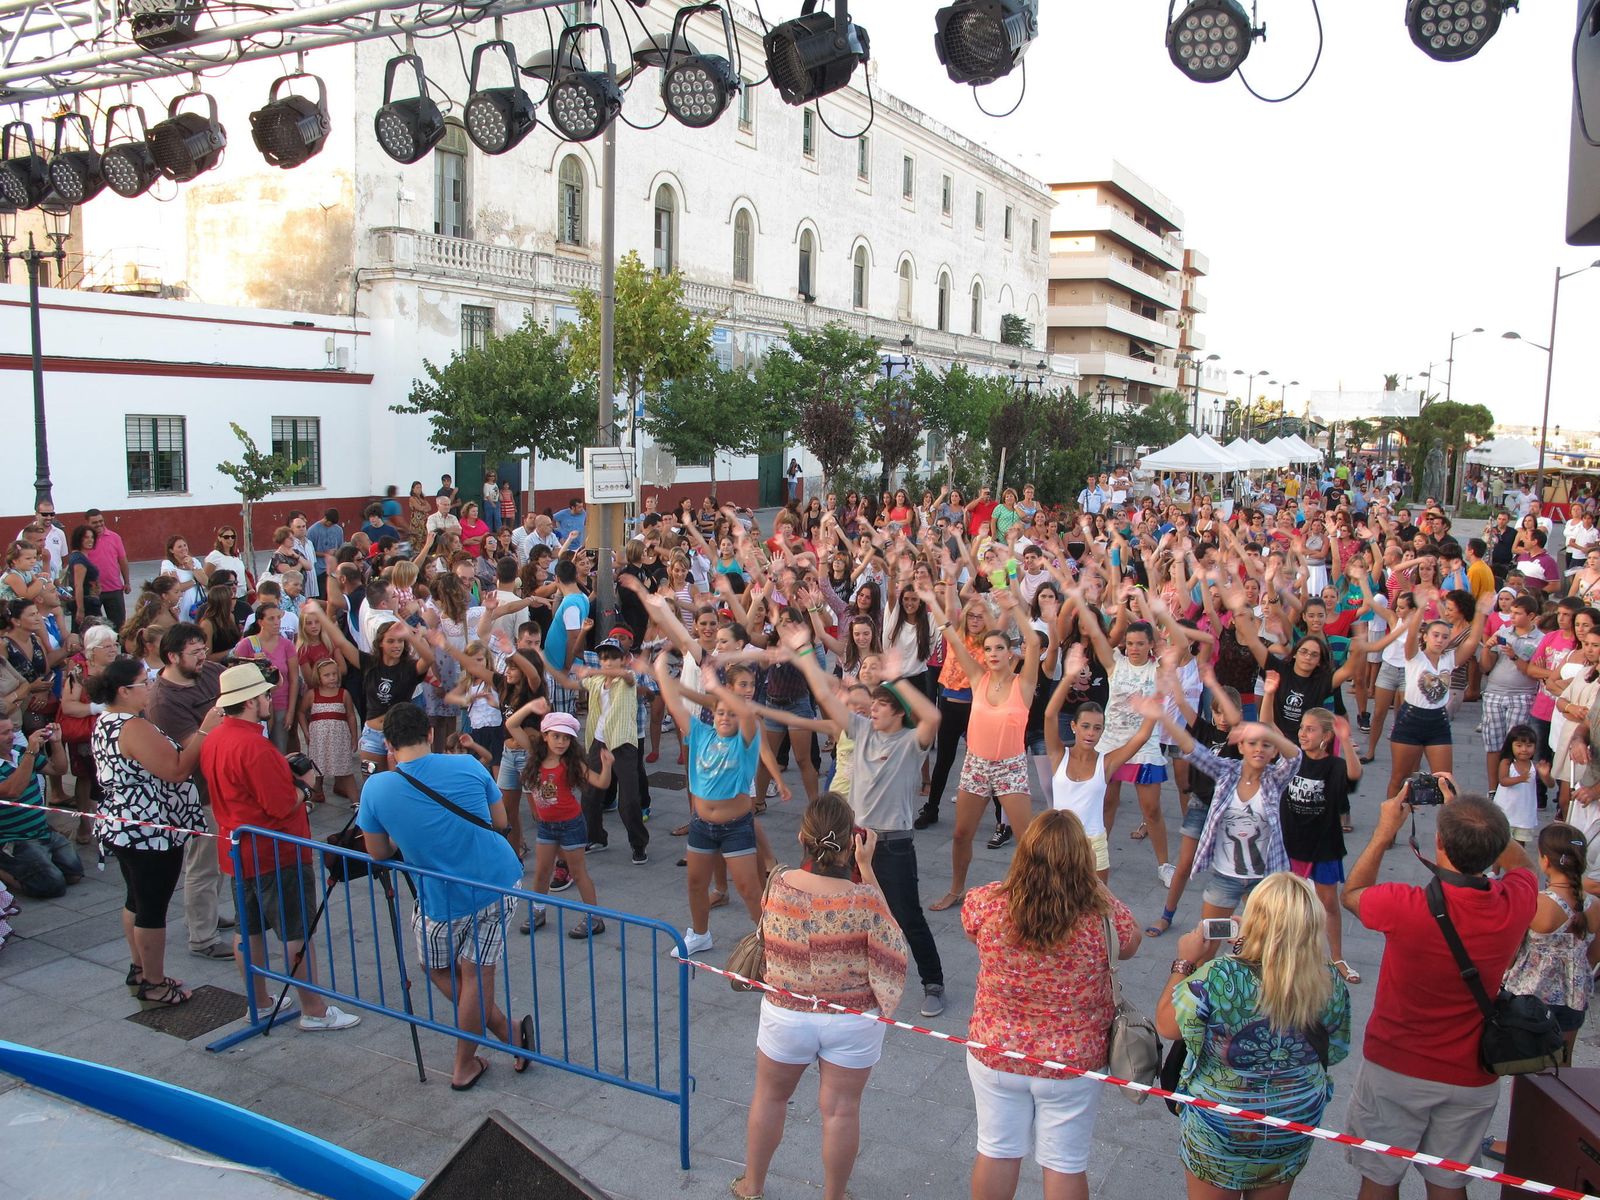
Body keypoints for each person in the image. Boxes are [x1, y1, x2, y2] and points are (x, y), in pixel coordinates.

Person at [1341, 787, 1538, 1200]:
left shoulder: (1403, 904)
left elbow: (1352, 896)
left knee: (1379, 1178)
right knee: (1448, 1183)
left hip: (1396, 1066)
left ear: (1438, 843)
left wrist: (1382, 833)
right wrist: (1473, 816)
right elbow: (1525, 868)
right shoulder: (1516, 901)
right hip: (1471, 1074)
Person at [730, 794, 908, 1200]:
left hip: (786, 1013)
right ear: (852, 842)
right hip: (852, 1018)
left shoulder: (777, 882)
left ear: (801, 837)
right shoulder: (863, 898)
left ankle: (752, 1186)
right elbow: (893, 942)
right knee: (842, 1111)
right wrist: (865, 867)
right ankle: (834, 1196)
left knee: (770, 1098)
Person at [962, 810, 1141, 1200]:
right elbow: (1131, 943)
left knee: (996, 1150)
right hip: (1072, 1062)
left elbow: (970, 928)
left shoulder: (987, 904)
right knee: (1065, 1163)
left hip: (996, 1052)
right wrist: (1095, 884)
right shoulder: (1103, 920)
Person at [356, 701, 528, 1090]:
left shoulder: (376, 787)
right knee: (476, 975)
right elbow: (501, 822)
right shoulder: (468, 765)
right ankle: (503, 1031)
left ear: (387, 743)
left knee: (442, 970)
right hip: (496, 881)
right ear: (430, 732)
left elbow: (378, 853)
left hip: (440, 897)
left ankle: (467, 1061)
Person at [1155, 872, 1350, 1199]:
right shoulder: (1329, 977)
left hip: (1220, 1127)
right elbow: (1337, 1049)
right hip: (1293, 1121)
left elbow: (1166, 1025)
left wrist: (1184, 963)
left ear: (1256, 921)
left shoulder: (1218, 976)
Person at [199, 662, 360, 1032]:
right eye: (265, 694)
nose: (271, 698)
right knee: (295, 934)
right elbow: (280, 804)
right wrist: (303, 784)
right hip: (276, 853)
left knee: (247, 930)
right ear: (251, 701)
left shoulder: (216, 739)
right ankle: (314, 1010)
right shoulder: (254, 746)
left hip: (239, 851)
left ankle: (259, 1001)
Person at [801, 640, 948, 1018]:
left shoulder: (910, 742)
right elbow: (824, 694)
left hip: (894, 843)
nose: (873, 708)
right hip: (855, 838)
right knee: (850, 910)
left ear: (898, 712)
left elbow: (931, 717)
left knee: (906, 915)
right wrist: (802, 653)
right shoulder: (862, 730)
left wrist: (896, 679)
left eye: (881, 704)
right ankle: (856, 975)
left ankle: (933, 982)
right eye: (874, 704)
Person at [91, 653, 223, 1008]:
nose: (150, 687)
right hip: (149, 831)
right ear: (124, 690)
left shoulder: (108, 721)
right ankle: (153, 980)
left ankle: (140, 969)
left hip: (126, 825)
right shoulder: (133, 727)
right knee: (151, 906)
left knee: (136, 899)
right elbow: (177, 769)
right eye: (143, 683)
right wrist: (206, 729)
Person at [144, 623, 236, 962]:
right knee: (203, 864)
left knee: (220, 859)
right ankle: (202, 936)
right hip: (198, 793)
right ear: (172, 656)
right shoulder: (163, 699)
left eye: (203, 650)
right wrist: (211, 726)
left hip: (224, 785)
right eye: (195, 653)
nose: (203, 658)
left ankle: (209, 914)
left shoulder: (210, 671)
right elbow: (188, 750)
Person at [505, 709, 611, 937]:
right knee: (542, 871)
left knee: (578, 872)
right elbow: (512, 724)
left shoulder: (572, 763)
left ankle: (594, 918)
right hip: (546, 825)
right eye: (556, 736)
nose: (561, 742)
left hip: (571, 824)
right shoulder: (535, 754)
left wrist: (608, 765)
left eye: (566, 738)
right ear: (545, 736)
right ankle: (538, 911)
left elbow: (601, 782)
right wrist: (532, 704)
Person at [0, 716, 76, 898]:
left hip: (41, 832)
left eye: (12, 730)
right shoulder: (26, 754)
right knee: (51, 887)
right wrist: (30, 753)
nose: (12, 736)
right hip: (14, 839)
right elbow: (12, 791)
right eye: (5, 732)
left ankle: (37, 863)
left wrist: (56, 743)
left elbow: (58, 770)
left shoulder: (20, 752)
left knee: (74, 874)